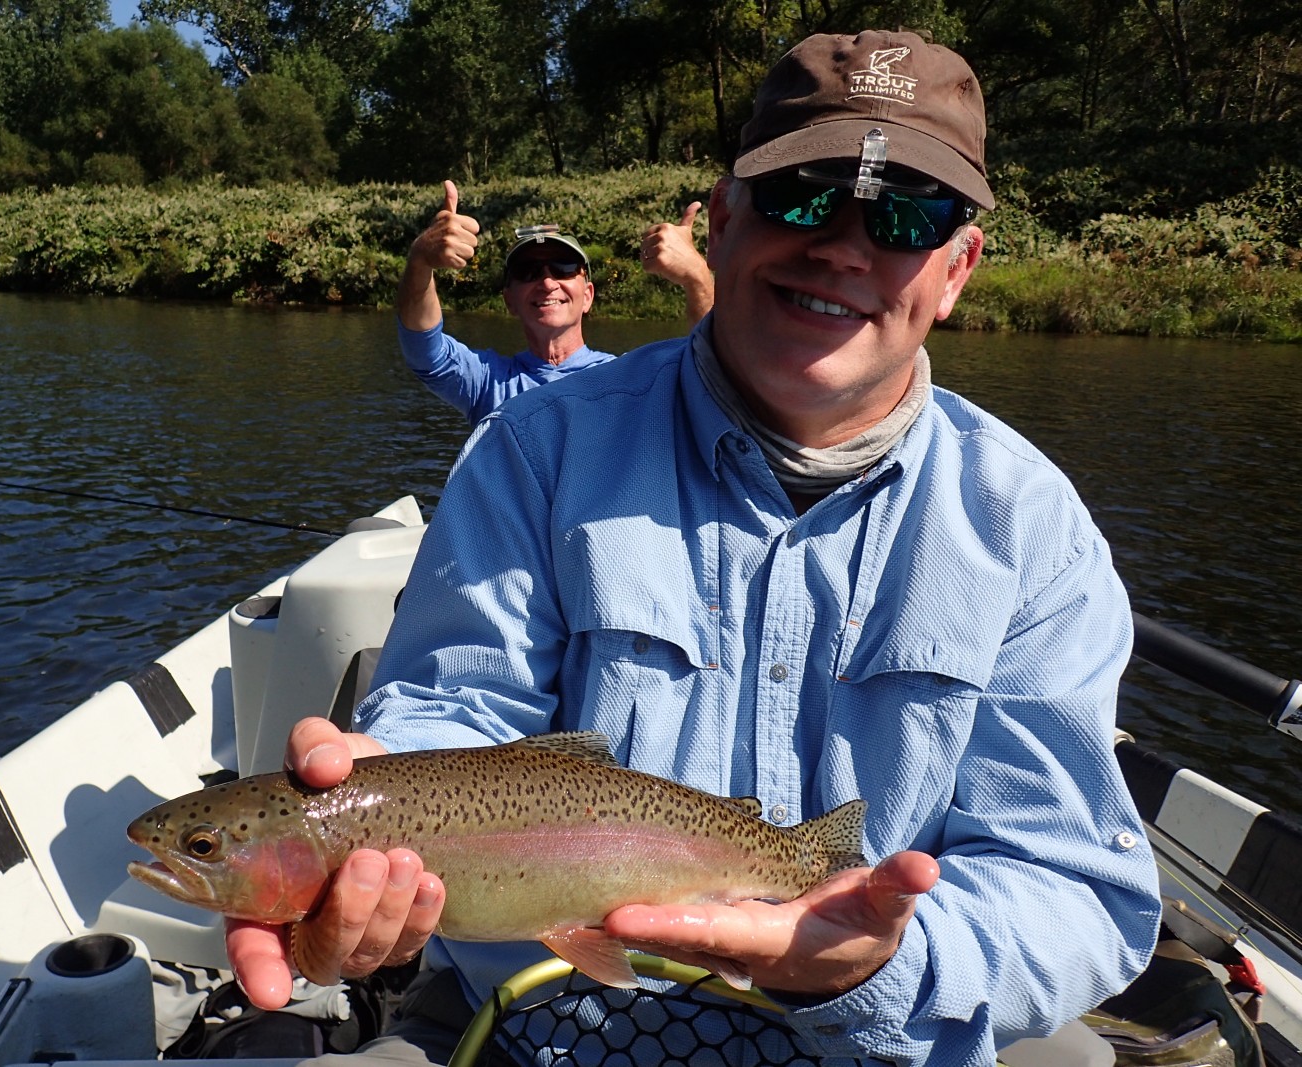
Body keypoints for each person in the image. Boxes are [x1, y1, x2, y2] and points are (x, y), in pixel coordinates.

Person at [229, 29, 1162, 1066]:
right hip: (543, 1030)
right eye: (802, 193)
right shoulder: (535, 449)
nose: (843, 247)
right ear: (719, 221)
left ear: (955, 269)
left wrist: (871, 962)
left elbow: (1073, 888)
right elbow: (456, 708)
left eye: (905, 214)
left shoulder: (1028, 527)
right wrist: (382, 796)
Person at [397, 184, 714, 426]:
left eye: (562, 268)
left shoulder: (630, 378)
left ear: (588, 295)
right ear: (510, 300)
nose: (547, 282)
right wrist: (420, 259)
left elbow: (714, 373)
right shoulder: (485, 380)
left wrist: (697, 277)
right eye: (528, 272)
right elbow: (423, 348)